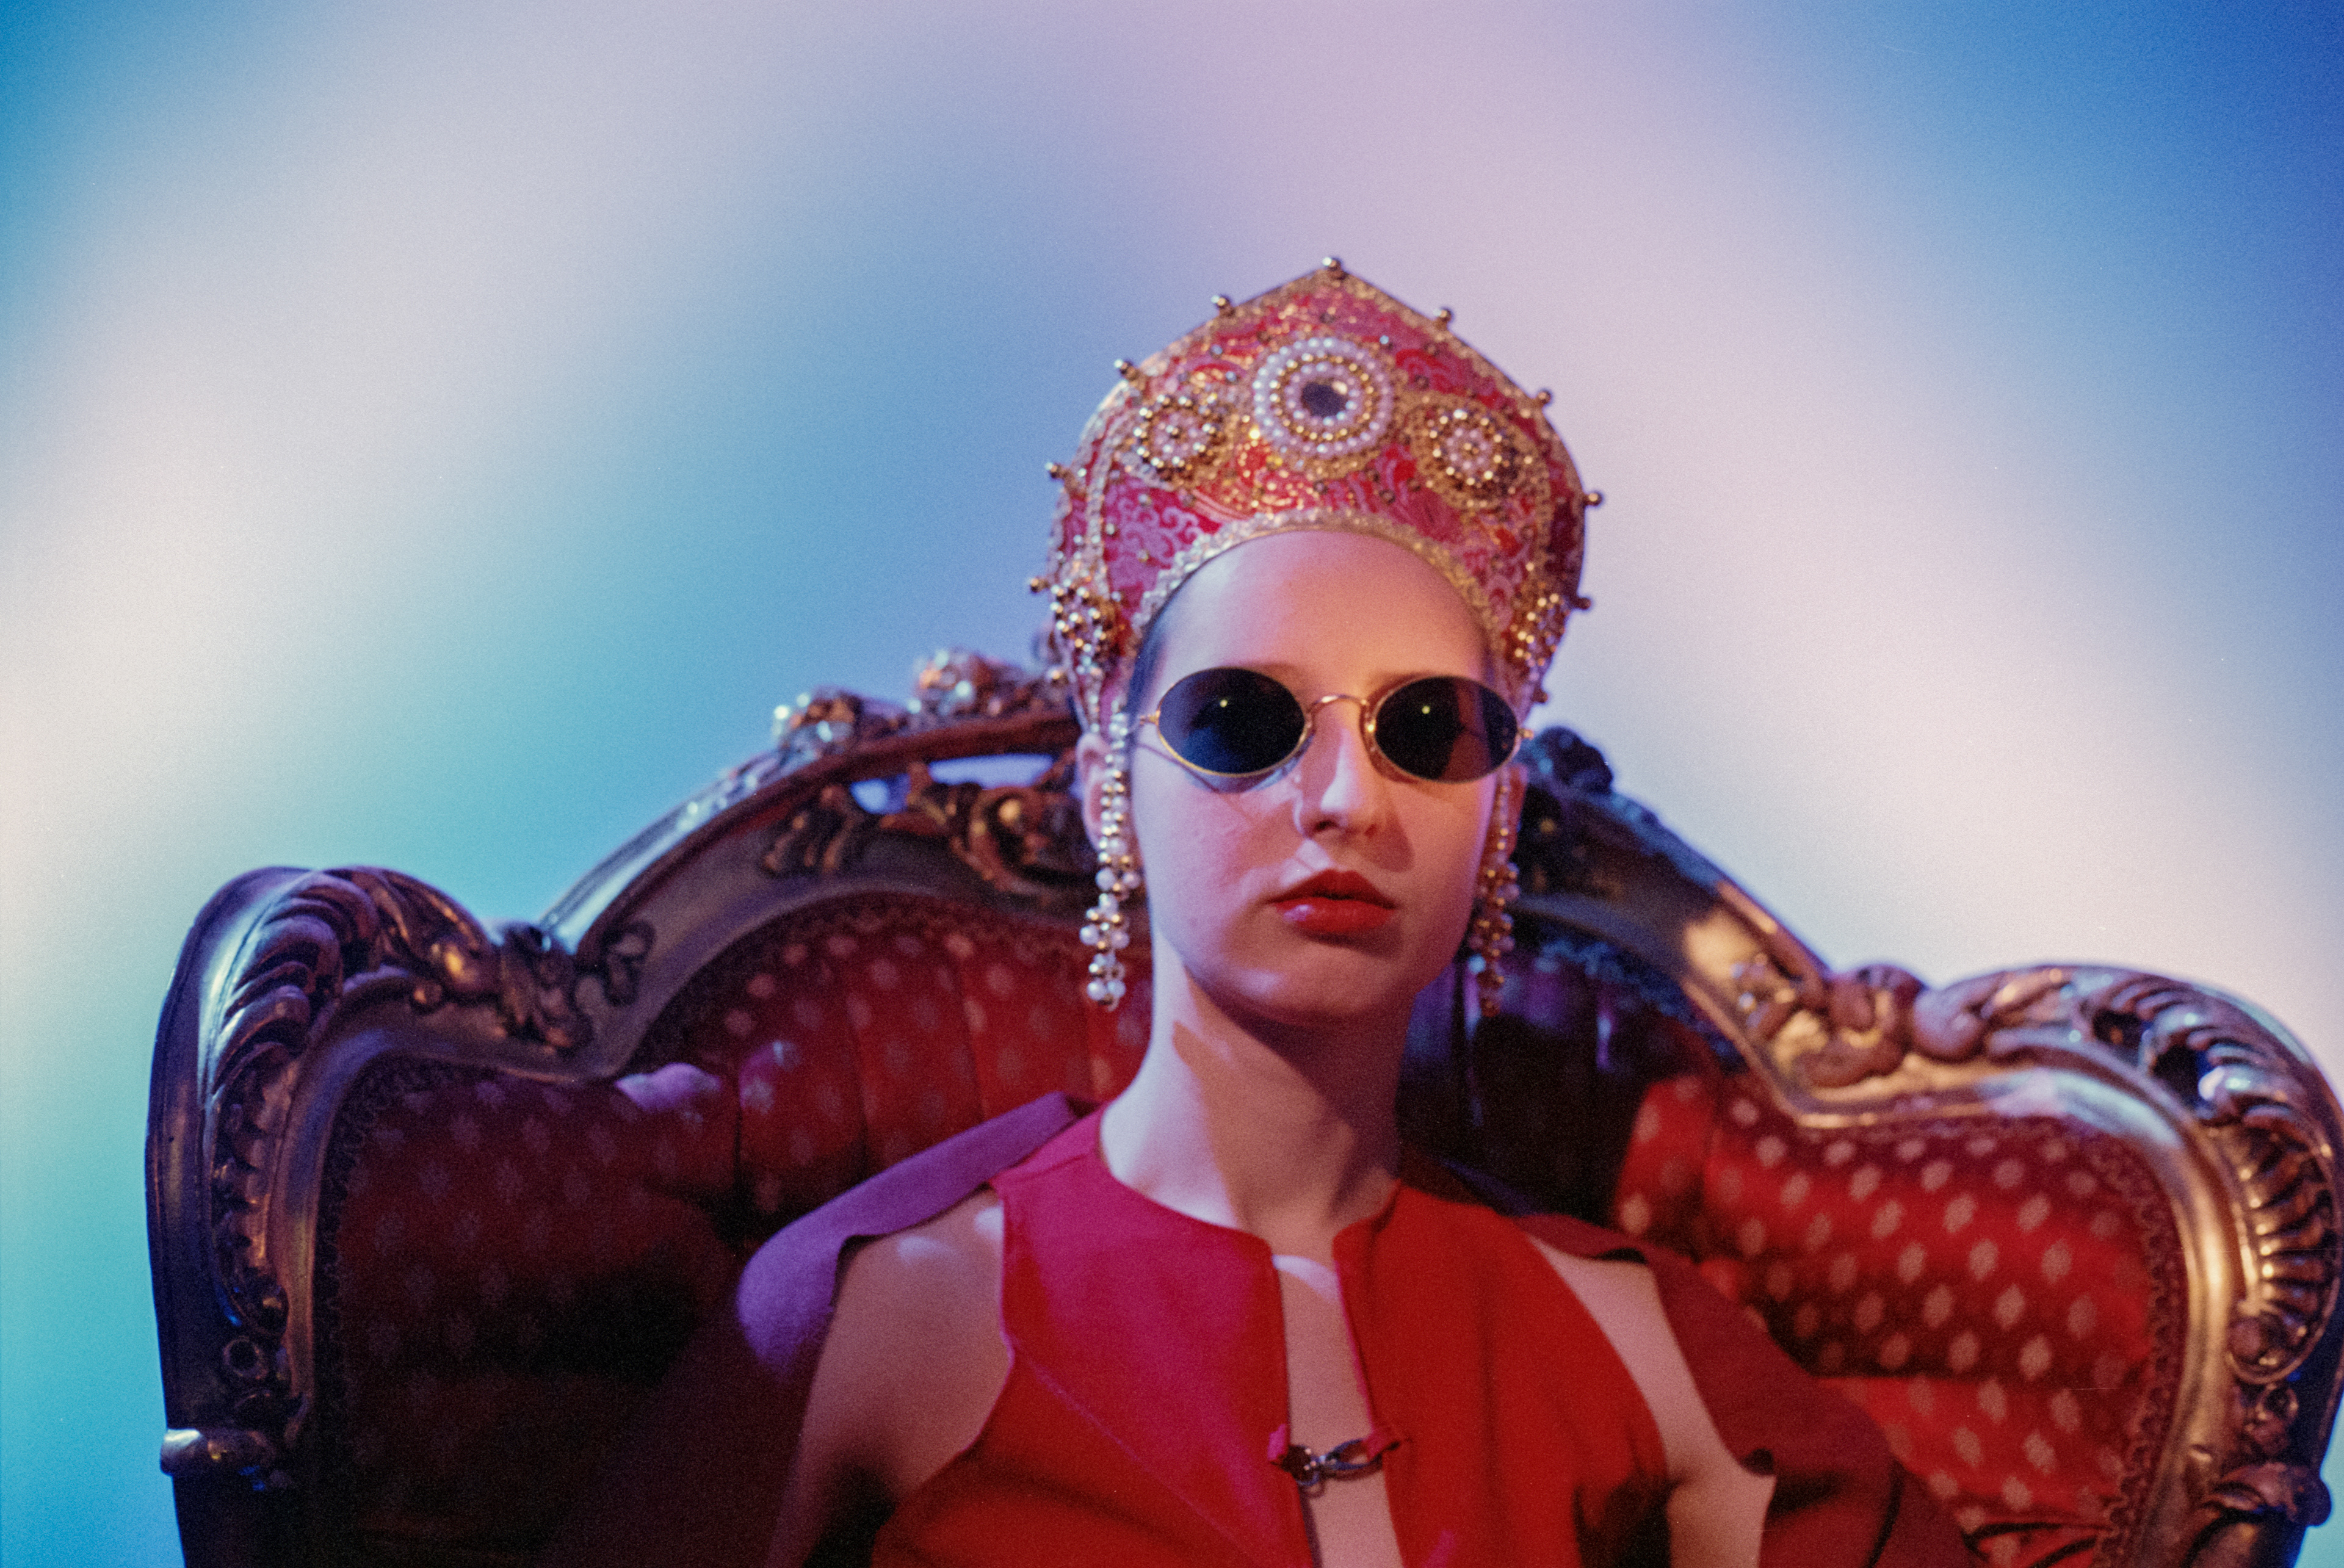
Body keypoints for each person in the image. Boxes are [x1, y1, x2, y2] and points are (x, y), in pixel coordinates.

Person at [544, 262, 1967, 1567]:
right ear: (1110, 789)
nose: (1345, 797)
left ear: (1501, 817)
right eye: (1240, 719)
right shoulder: (884, 1317)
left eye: (1428, 729)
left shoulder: (1632, 1342)